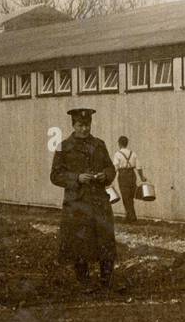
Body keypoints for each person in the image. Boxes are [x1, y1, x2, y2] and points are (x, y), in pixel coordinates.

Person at [50, 107, 117, 290]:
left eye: (87, 125)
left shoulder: (99, 145)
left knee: (104, 239)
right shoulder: (64, 147)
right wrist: (76, 178)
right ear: (73, 125)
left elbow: (111, 168)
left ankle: (107, 280)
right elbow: (55, 175)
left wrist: (106, 175)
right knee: (80, 241)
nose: (84, 129)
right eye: (80, 125)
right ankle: (84, 281)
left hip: (99, 201)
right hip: (77, 203)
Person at [113, 136, 145, 223]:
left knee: (125, 196)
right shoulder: (133, 153)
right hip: (132, 174)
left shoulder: (117, 154)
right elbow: (139, 167)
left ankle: (131, 217)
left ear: (119, 143)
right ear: (127, 143)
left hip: (123, 175)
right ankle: (130, 215)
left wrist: (110, 179)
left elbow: (115, 168)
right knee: (130, 196)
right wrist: (142, 177)